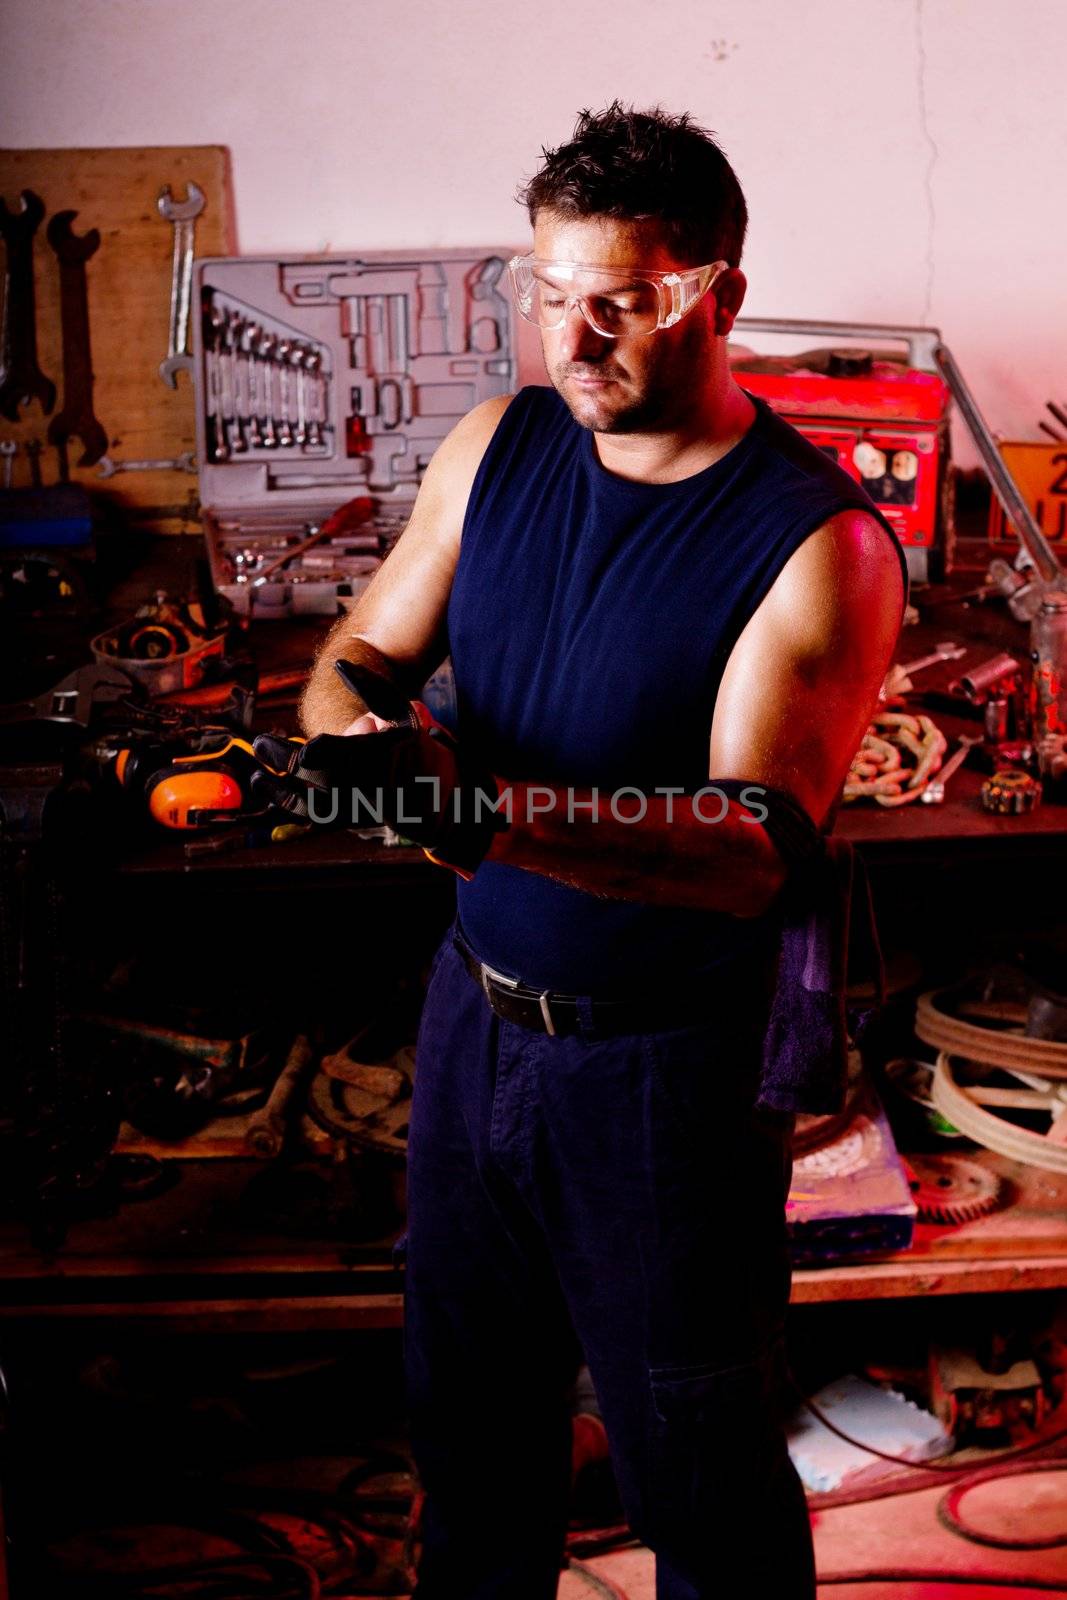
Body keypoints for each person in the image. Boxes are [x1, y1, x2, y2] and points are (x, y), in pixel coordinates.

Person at [255, 103, 907, 1599]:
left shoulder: (820, 544)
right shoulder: (500, 448)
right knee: (471, 1435)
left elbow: (754, 846)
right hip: (473, 1020)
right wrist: (363, 758)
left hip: (663, 1076)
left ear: (716, 295)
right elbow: (359, 656)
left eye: (616, 299)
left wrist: (482, 813)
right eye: (551, 295)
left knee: (699, 1468)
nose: (574, 337)